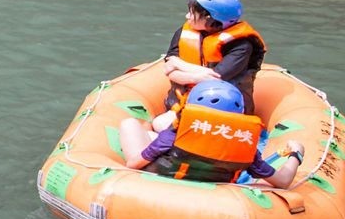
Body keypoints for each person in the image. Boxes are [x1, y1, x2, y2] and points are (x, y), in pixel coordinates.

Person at [117, 78, 303, 185]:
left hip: (165, 177)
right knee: (151, 135)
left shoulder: (177, 132)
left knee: (130, 125)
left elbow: (134, 164)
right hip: (218, 189)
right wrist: (296, 154)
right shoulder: (244, 143)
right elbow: (283, 181)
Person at [163, 0, 265, 107]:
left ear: (209, 18)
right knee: (160, 124)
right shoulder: (183, 32)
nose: (187, 16)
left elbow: (215, 77)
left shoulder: (241, 45)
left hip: (226, 106)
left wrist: (179, 64)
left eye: (192, 13)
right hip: (182, 100)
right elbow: (169, 68)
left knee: (161, 123)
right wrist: (195, 76)